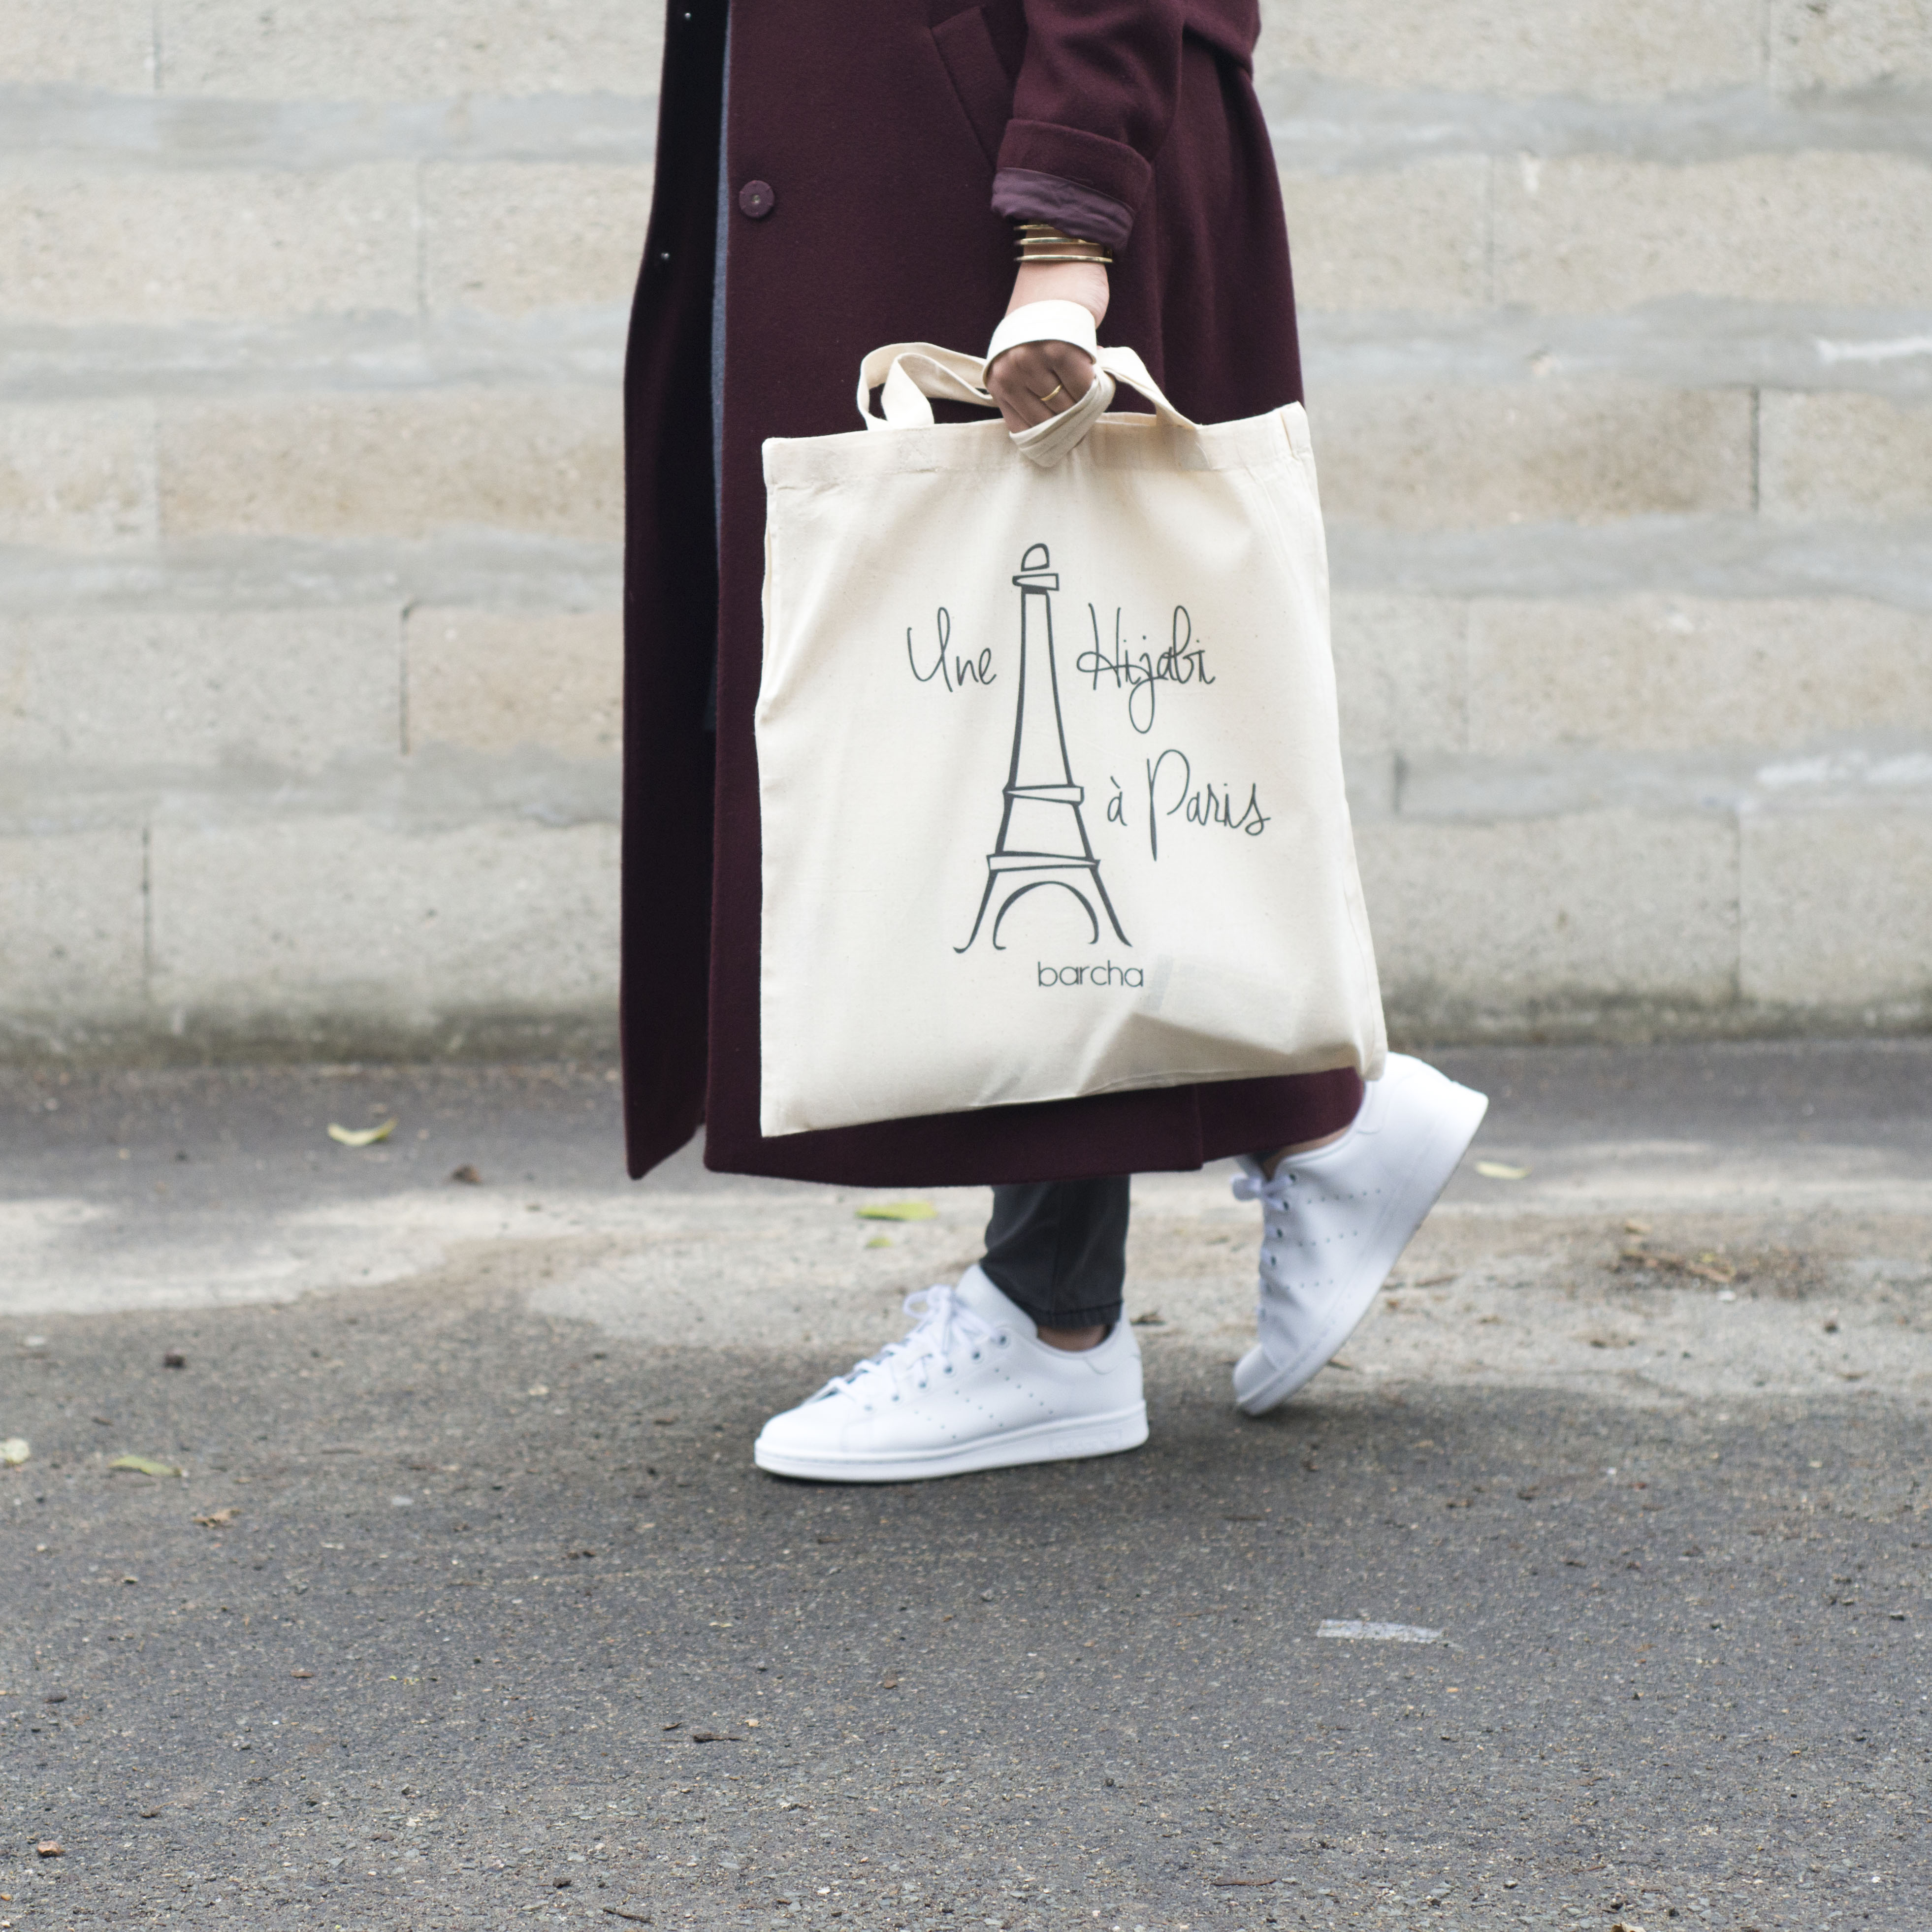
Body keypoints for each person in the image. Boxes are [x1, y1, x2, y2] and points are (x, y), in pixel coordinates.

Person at [620, 0, 1487, 1482]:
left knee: (1037, 714)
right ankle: (1312, 1129)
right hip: (926, 154)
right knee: (976, 718)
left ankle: (1054, 1318)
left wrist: (1063, 227)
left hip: (1013, 170)